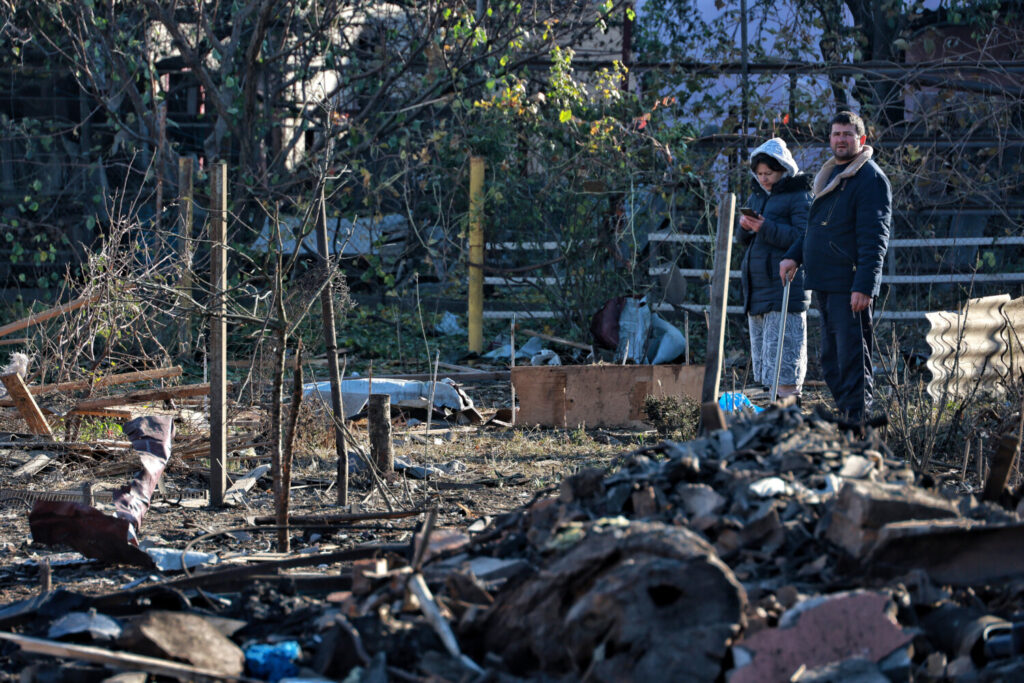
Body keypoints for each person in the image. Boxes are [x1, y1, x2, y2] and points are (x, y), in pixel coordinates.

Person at [780, 111, 892, 423]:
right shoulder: (830, 176)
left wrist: (865, 286)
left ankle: (857, 424)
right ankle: (847, 416)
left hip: (849, 283)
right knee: (831, 361)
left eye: (847, 134)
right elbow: (815, 230)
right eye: (836, 134)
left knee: (853, 359)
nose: (841, 139)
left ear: (862, 140)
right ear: (829, 139)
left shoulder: (870, 180)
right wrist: (793, 255)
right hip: (825, 282)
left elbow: (875, 238)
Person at [737, 138, 812, 399]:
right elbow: (744, 240)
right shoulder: (757, 196)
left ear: (782, 169)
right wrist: (745, 227)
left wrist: (764, 227)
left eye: (768, 173)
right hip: (759, 288)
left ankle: (790, 409)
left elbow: (804, 238)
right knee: (767, 361)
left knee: (785, 354)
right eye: (759, 174)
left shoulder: (799, 195)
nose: (763, 179)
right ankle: (774, 412)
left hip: (785, 286)